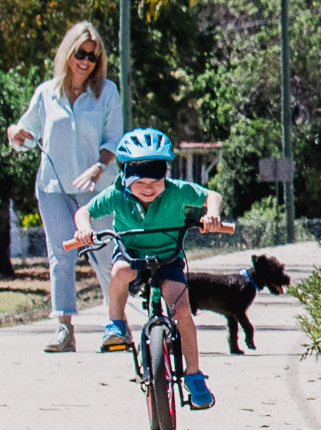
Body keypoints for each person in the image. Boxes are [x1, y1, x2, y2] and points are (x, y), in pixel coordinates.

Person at [69, 128, 234, 407]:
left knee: (181, 310)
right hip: (131, 255)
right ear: (125, 178)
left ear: (165, 176)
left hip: (168, 257)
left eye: (155, 182)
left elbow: (212, 196)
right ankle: (116, 324)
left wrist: (212, 214)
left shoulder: (176, 191)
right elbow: (84, 211)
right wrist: (84, 229)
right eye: (140, 182)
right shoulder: (116, 194)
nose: (148, 188)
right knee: (120, 272)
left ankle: (194, 376)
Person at [8, 21, 121, 352]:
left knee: (104, 253)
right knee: (61, 256)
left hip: (96, 190)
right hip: (53, 188)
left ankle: (116, 325)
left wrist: (99, 167)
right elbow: (26, 134)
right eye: (80, 54)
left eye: (92, 57)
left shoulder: (107, 92)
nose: (85, 62)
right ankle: (64, 329)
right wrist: (15, 134)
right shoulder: (47, 93)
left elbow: (115, 138)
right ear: (67, 54)